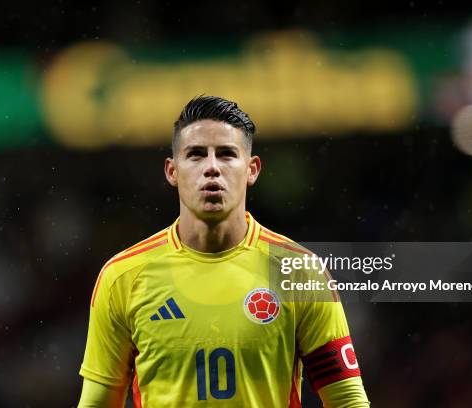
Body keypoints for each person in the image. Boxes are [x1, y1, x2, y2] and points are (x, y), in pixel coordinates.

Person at [78, 96, 370, 407]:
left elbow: (347, 400)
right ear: (172, 171)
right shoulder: (123, 276)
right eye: (196, 155)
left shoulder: (298, 271)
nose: (212, 167)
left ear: (252, 169)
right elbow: (97, 403)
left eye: (227, 154)